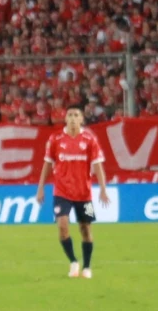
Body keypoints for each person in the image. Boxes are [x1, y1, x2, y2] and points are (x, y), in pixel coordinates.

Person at [36, 106, 110, 279]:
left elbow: (98, 166)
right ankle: (73, 261)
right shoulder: (55, 139)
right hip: (61, 192)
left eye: (76, 115)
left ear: (82, 119)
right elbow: (47, 164)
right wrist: (40, 188)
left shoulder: (90, 139)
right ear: (65, 118)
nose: (72, 118)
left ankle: (87, 266)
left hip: (84, 194)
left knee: (85, 229)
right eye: (69, 115)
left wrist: (103, 190)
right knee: (62, 227)